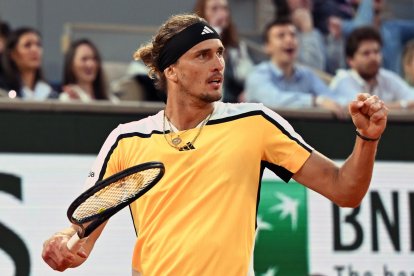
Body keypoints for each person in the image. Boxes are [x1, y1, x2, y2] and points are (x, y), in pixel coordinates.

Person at [42, 14, 388, 276]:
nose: (218, 64)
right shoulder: (126, 140)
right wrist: (64, 244)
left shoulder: (255, 122)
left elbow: (346, 191)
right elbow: (82, 229)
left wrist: (367, 139)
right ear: (172, 71)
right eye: (203, 55)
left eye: (220, 53)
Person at [245, 18, 345, 118]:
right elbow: (273, 100)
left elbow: (331, 98)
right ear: (267, 47)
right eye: (281, 36)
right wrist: (315, 101)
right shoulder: (257, 74)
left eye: (293, 35)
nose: (289, 40)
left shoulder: (307, 74)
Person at [330, 26, 414, 109]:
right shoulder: (343, 80)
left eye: (376, 52)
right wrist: (404, 105)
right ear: (350, 60)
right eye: (366, 53)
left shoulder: (386, 77)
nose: (373, 58)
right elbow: (364, 108)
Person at [194, 0, 254, 103]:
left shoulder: (237, 47)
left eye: (224, 8)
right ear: (203, 13)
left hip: (233, 107)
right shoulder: (193, 43)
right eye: (214, 9)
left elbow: (249, 75)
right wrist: (214, 33)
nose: (221, 13)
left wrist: (249, 91)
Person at [0, 27, 58, 100]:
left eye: (38, 45)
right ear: (13, 54)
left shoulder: (49, 91)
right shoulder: (3, 90)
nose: (35, 50)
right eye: (27, 45)